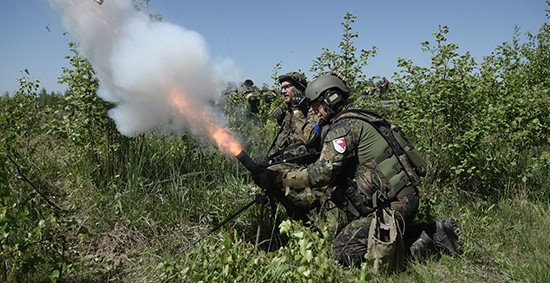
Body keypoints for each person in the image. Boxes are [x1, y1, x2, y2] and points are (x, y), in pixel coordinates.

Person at [254, 73, 462, 268]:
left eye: (317, 105)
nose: (316, 112)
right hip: (402, 200)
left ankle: (425, 245)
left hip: (393, 207)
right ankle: (437, 231)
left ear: (331, 98)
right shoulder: (360, 116)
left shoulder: (344, 127)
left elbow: (321, 174)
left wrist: (279, 179)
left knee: (343, 251)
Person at [265, 71, 321, 164]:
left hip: (301, 163)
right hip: (285, 159)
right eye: (282, 88)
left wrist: (297, 111)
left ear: (298, 88)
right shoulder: (290, 110)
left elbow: (309, 139)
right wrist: (282, 119)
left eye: (286, 87)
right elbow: (288, 137)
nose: (283, 91)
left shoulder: (313, 109)